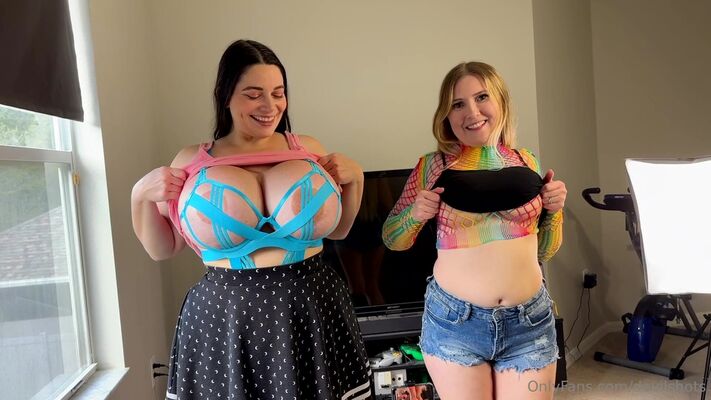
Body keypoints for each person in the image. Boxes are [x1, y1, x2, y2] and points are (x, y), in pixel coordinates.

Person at [131, 39, 371, 400]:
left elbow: (338, 230)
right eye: (253, 94)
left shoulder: (308, 150)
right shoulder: (191, 161)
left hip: (312, 307)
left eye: (278, 93)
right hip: (227, 318)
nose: (269, 106)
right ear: (225, 95)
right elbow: (163, 249)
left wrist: (357, 180)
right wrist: (139, 196)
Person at [382, 62, 566, 400]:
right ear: (446, 115)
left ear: (501, 102)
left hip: (529, 322)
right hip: (456, 325)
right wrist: (414, 215)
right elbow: (392, 239)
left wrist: (555, 212)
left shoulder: (526, 160)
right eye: (458, 104)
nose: (472, 112)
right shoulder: (432, 165)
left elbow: (545, 251)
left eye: (482, 97)